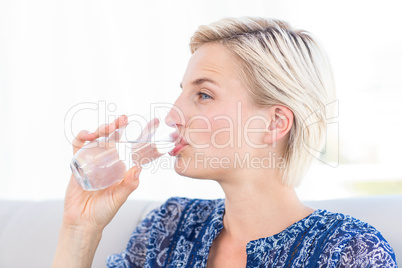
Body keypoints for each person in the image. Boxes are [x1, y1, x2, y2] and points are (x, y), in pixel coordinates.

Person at [52, 17, 398, 267]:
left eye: (203, 94)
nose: (172, 115)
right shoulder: (169, 227)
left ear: (275, 123)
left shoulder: (350, 252)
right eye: (183, 91)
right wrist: (79, 229)